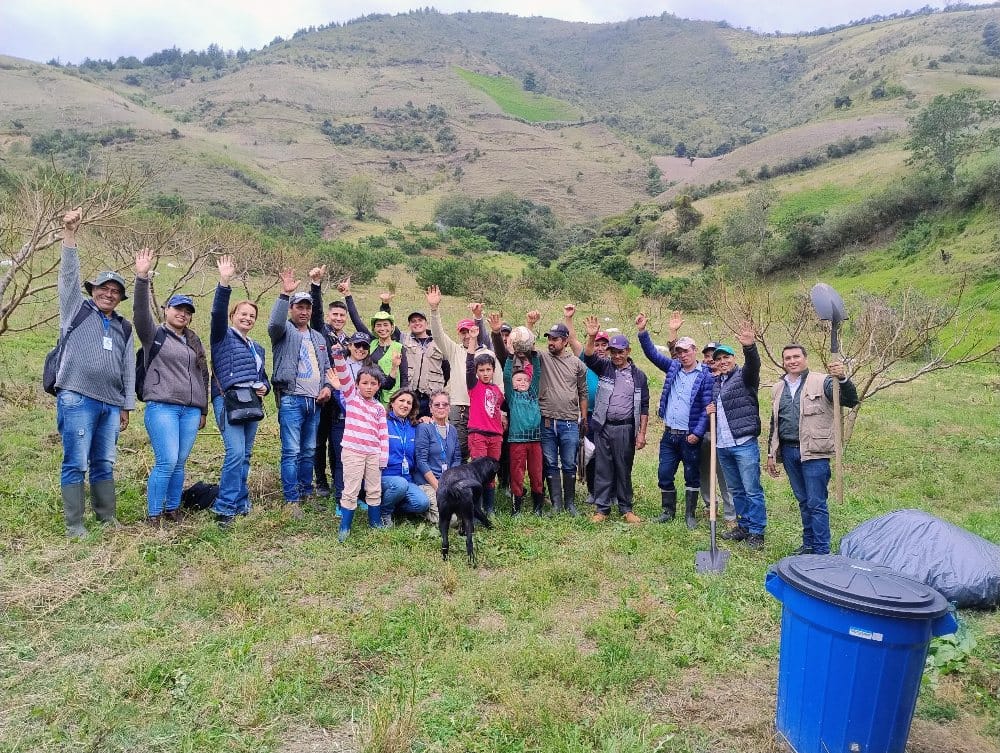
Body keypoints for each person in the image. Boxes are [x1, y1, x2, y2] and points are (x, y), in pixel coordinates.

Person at [54, 209, 136, 537]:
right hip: (77, 397)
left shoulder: (124, 327)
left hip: (110, 404)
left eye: (115, 291)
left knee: (104, 461)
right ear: (93, 290)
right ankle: (75, 525)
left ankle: (106, 518)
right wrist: (69, 234)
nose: (108, 294)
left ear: (120, 297)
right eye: (104, 288)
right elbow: (68, 277)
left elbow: (128, 368)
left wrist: (126, 405)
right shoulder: (75, 309)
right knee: (76, 461)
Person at [133, 249, 210, 526]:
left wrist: (203, 410)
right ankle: (154, 514)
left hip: (190, 411)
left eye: (188, 312)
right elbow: (140, 313)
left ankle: (172, 509)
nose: (183, 314)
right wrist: (142, 278)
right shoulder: (154, 334)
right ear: (166, 310)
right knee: (166, 460)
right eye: (178, 309)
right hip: (162, 406)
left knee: (179, 462)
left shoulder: (194, 341)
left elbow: (203, 375)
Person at [767, 344, 859, 556]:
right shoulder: (778, 388)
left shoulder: (823, 381)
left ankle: (821, 550)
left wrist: (842, 379)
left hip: (814, 453)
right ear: (783, 362)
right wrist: (771, 453)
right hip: (789, 451)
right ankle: (808, 544)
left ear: (805, 358)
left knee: (816, 503)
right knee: (803, 501)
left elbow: (850, 400)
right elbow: (775, 422)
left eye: (796, 356)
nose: (792, 361)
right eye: (788, 358)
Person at [209, 255, 271, 530]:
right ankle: (224, 507)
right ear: (233, 316)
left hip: (252, 401)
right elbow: (216, 314)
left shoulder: (258, 348)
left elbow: (262, 377)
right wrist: (224, 282)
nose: (247, 318)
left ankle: (241, 502)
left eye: (252, 316)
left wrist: (265, 387)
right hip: (229, 400)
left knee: (245, 455)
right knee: (234, 453)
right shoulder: (222, 337)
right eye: (242, 314)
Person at [636, 311, 713, 529]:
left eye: (686, 351)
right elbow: (652, 354)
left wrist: (697, 433)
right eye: (679, 352)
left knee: (692, 475)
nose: (683, 355)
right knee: (664, 473)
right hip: (669, 434)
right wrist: (642, 332)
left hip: (690, 436)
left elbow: (706, 409)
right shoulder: (673, 368)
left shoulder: (705, 375)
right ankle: (667, 511)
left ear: (694, 350)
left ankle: (690, 515)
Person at [268, 269, 333, 518]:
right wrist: (284, 294)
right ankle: (291, 499)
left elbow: (326, 368)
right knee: (291, 451)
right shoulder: (284, 331)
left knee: (308, 451)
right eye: (299, 307)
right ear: (292, 309)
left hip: (314, 402)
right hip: (291, 399)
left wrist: (327, 387)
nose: (304, 312)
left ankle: (306, 492)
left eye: (308, 308)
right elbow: (273, 323)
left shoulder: (318, 337)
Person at [704, 324, 766, 550]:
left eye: (726, 357)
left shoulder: (744, 377)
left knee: (752, 490)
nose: (722, 361)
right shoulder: (716, 383)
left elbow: (754, 365)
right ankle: (744, 526)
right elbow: (719, 409)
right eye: (718, 359)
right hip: (723, 444)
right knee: (736, 490)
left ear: (733, 359)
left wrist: (749, 347)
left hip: (743, 443)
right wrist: (711, 410)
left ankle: (757, 532)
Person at [581, 318, 649, 524]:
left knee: (623, 468)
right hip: (603, 426)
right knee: (602, 468)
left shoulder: (639, 376)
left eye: (621, 352)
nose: (617, 356)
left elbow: (644, 406)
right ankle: (602, 509)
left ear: (628, 351)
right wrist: (592, 336)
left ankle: (626, 508)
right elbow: (588, 356)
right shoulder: (604, 367)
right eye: (613, 352)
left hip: (626, 428)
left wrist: (641, 433)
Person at [523, 310, 588, 516]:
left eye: (555, 339)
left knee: (569, 463)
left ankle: (570, 504)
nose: (551, 342)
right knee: (550, 462)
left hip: (569, 421)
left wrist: (584, 419)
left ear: (565, 341)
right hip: (547, 421)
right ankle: (556, 504)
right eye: (549, 339)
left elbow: (583, 391)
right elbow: (525, 347)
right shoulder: (542, 358)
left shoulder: (577, 364)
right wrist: (530, 324)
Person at [426, 285, 502, 459]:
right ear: (459, 334)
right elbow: (437, 335)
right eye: (463, 332)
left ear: (475, 331)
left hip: (484, 411)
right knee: (457, 452)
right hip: (459, 408)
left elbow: (499, 384)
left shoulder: (488, 354)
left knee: (481, 457)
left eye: (470, 331)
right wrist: (434, 309)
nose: (467, 335)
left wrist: (501, 412)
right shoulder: (454, 350)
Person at [328, 344, 389, 541]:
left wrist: (382, 457)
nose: (369, 387)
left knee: (374, 488)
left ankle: (375, 522)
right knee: (351, 488)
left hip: (373, 454)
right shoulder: (352, 398)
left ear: (378, 386)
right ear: (357, 384)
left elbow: (383, 435)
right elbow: (344, 375)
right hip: (353, 451)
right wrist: (338, 356)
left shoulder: (379, 408)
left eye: (373, 383)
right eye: (365, 383)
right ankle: (345, 526)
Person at [309, 267, 350, 501]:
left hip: (340, 398)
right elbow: (315, 314)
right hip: (322, 393)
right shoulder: (320, 332)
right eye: (334, 314)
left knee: (338, 442)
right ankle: (321, 481)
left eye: (342, 315)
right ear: (328, 316)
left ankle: (337, 479)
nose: (338, 318)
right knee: (319, 440)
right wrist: (315, 286)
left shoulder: (349, 341)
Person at [339, 278, 405, 406]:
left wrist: (402, 400)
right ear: (374, 328)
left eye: (386, 325)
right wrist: (348, 295)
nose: (382, 329)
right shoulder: (371, 343)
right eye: (378, 326)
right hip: (372, 397)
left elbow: (404, 377)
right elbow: (357, 321)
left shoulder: (398, 346)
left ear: (392, 327)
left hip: (392, 400)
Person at [501, 344, 544, 515]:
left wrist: (533, 354)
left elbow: (537, 373)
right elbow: (506, 376)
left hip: (535, 440)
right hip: (517, 441)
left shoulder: (533, 393)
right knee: (517, 473)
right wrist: (510, 356)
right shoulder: (512, 397)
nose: (523, 382)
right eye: (518, 380)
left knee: (536, 472)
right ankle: (516, 508)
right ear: (513, 384)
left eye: (525, 380)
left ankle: (538, 507)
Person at [379, 389, 431, 526]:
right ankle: (384, 512)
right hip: (385, 476)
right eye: (401, 401)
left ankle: (394, 507)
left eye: (409, 402)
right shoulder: (383, 422)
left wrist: (426, 420)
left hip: (407, 478)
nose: (405, 405)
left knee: (422, 504)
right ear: (392, 403)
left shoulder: (414, 427)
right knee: (399, 484)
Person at [466, 349, 506, 516]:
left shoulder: (497, 390)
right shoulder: (474, 386)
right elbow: (468, 367)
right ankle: (477, 509)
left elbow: (500, 408)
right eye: (481, 370)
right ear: (476, 372)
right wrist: (472, 346)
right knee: (479, 472)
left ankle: (490, 508)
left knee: (491, 472)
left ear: (493, 371)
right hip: (478, 435)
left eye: (488, 369)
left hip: (495, 436)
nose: (485, 373)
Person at [699, 341, 736, 528]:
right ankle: (709, 505)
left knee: (725, 475)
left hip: (722, 435)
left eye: (713, 356)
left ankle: (731, 514)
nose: (710, 359)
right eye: (707, 356)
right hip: (702, 432)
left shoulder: (728, 379)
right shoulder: (700, 376)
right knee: (704, 473)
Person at [414, 389, 462, 525]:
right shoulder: (424, 428)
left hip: (447, 482)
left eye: (445, 404)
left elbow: (457, 458)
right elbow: (421, 461)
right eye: (437, 405)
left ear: (449, 408)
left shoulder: (452, 430)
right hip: (428, 483)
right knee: (452, 520)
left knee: (464, 512)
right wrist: (439, 487)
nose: (441, 407)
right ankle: (420, 510)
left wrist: (448, 482)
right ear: (430, 408)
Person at [399, 309, 446, 418]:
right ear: (409, 325)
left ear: (426, 323)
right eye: (413, 321)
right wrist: (385, 305)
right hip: (409, 394)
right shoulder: (403, 339)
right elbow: (388, 328)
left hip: (431, 396)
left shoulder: (439, 341)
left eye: (420, 320)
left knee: (429, 426)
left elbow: (446, 369)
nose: (417, 323)